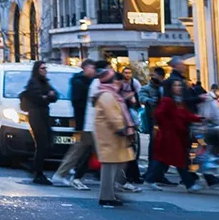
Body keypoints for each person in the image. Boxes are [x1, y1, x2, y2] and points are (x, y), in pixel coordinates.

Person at [52, 58, 100, 189]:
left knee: (79, 150)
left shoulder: (85, 82)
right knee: (78, 149)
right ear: (85, 68)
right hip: (83, 124)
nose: (94, 71)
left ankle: (66, 173)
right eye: (92, 68)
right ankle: (66, 174)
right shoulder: (80, 83)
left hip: (85, 124)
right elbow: (79, 104)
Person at [146, 74, 200, 189]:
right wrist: (168, 124)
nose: (179, 88)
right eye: (176, 86)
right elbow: (159, 114)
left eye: (180, 85)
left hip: (173, 134)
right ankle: (189, 183)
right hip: (169, 135)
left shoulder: (176, 101)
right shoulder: (168, 101)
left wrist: (198, 118)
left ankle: (151, 179)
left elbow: (184, 115)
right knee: (177, 160)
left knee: (164, 159)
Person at [92, 68, 135, 207]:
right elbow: (113, 115)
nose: (119, 82)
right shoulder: (107, 95)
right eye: (117, 80)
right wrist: (122, 128)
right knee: (109, 167)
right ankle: (107, 196)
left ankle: (109, 194)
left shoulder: (111, 94)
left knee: (113, 166)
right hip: (110, 136)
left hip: (111, 136)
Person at [18, 61, 58, 184]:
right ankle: (37, 172)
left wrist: (48, 96)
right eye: (42, 68)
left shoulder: (45, 81)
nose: (45, 70)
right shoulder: (33, 82)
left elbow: (54, 95)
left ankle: (35, 167)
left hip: (44, 114)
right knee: (42, 144)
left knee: (47, 143)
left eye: (45, 68)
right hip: (36, 115)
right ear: (37, 69)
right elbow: (37, 98)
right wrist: (47, 97)